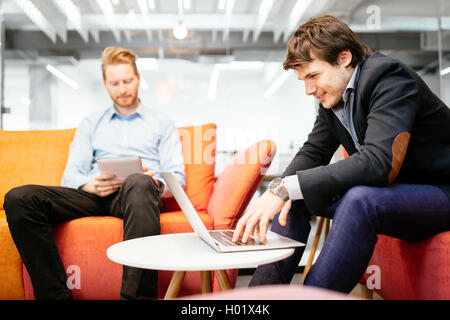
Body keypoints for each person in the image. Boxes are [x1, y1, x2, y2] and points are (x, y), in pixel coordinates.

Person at [232, 15, 450, 293]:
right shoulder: (334, 97)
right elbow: (314, 150)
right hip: (398, 192)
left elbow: (378, 163)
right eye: (303, 80)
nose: (309, 90)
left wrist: (285, 185)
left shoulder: (389, 77)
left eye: (313, 76)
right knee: (296, 199)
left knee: (360, 200)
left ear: (344, 58)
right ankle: (259, 300)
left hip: (439, 192)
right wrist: (280, 191)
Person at [4, 47, 186, 300]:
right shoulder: (91, 123)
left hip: (139, 197)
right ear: (105, 84)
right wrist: (88, 185)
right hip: (94, 196)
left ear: (138, 79)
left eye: (127, 81)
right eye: (115, 83)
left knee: (138, 182)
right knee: (19, 199)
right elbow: (70, 175)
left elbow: (177, 178)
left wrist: (152, 179)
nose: (122, 89)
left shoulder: (161, 123)